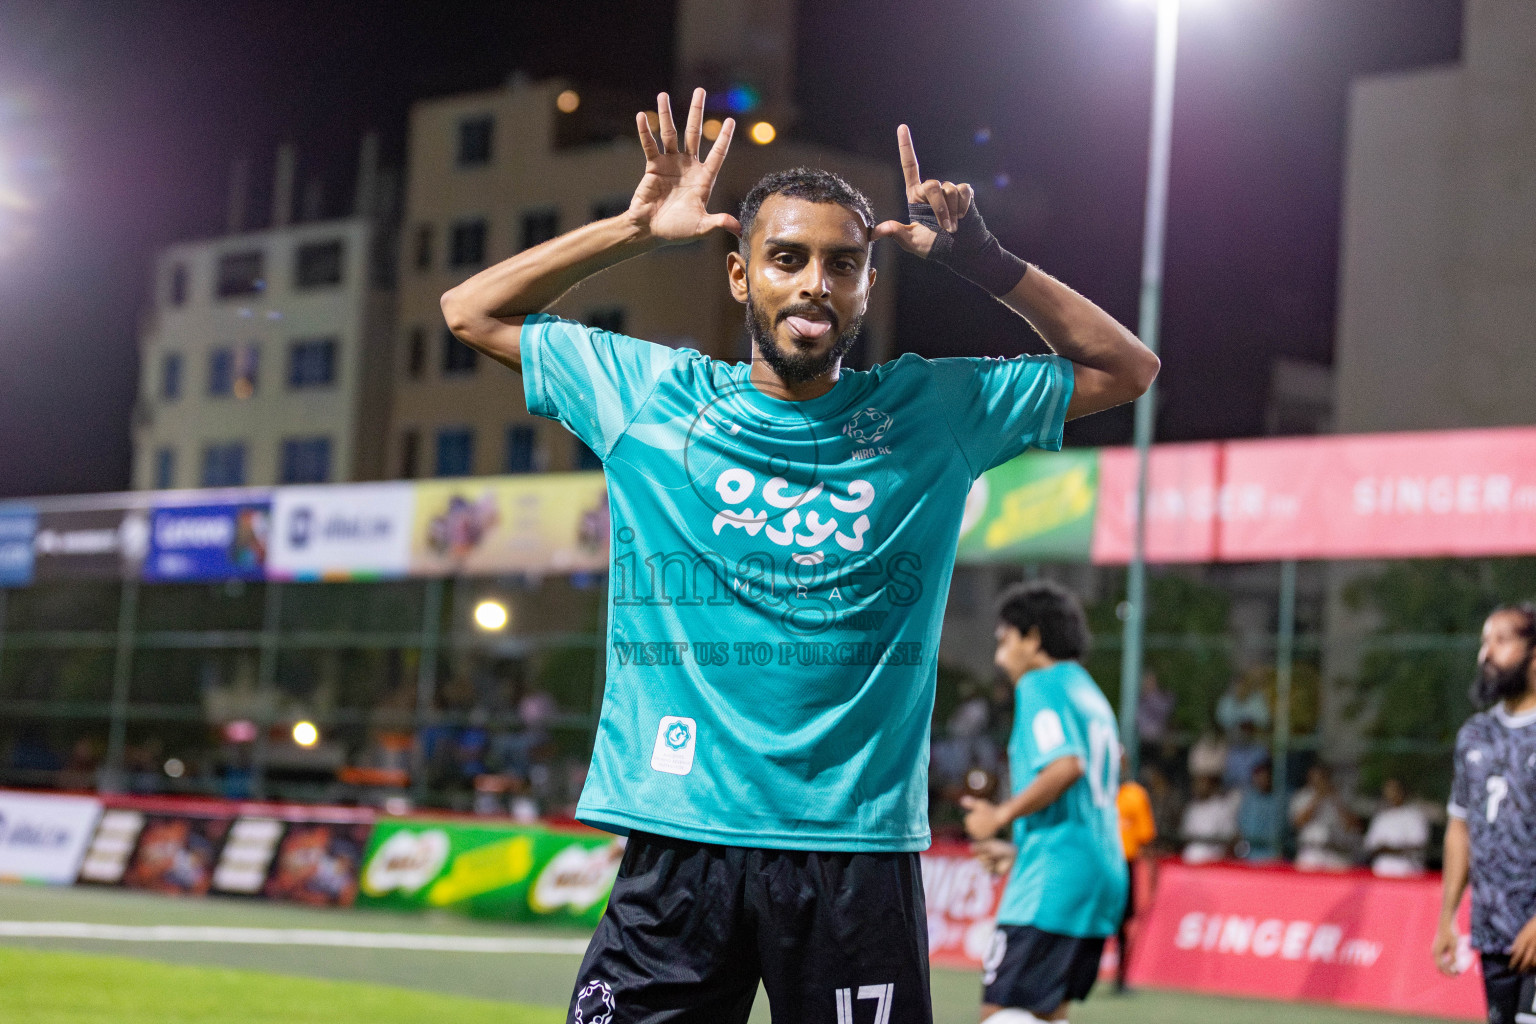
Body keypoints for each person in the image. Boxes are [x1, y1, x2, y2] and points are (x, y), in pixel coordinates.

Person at [440, 89, 1158, 1024]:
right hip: (680, 844)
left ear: (867, 287)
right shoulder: (649, 396)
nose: (815, 282)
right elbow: (468, 311)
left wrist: (987, 265)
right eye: (786, 259)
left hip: (854, 858)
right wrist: (632, 229)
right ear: (742, 279)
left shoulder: (930, 413)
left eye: (842, 264)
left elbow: (1125, 370)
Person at [960, 582, 1127, 1024]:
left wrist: (1000, 814)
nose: (999, 656)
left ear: (1032, 638)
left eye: (1004, 640)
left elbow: (1065, 766)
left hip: (1055, 880)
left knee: (1001, 1013)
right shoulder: (1088, 692)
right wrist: (1021, 849)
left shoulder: (1039, 685)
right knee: (1047, 1013)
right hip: (1099, 874)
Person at [1434, 603, 1536, 1024]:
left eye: (1501, 640)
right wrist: (1447, 918)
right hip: (1493, 931)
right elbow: (1460, 828)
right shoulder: (1475, 734)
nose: (1485, 654)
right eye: (1483, 642)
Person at [1115, 755, 1157, 994]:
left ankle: (1121, 976)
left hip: (1125, 864)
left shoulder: (1134, 795)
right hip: (1097, 864)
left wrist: (1151, 876)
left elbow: (1146, 837)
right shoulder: (1092, 793)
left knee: (1124, 922)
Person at [1290, 763, 1360, 872]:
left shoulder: (1340, 795)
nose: (1319, 780)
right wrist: (1317, 798)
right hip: (1311, 851)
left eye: (1322, 776)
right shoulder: (1302, 796)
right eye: (1316, 777)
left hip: (1336, 852)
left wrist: (1335, 799)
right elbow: (1298, 823)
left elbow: (1353, 825)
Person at [1363, 777, 1429, 878]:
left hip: (1408, 872)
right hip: (1381, 872)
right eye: (1388, 790)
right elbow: (1370, 847)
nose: (1390, 794)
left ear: (1402, 791)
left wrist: (1388, 849)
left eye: (1394, 790)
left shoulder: (1415, 815)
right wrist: (1386, 849)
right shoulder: (1381, 817)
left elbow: (1418, 845)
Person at [1180, 773, 1238, 865]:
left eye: (1203, 783)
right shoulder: (1192, 808)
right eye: (1197, 784)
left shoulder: (1221, 807)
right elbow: (1185, 836)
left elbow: (1230, 837)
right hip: (1191, 857)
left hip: (1214, 858)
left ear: (1211, 786)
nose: (1199, 787)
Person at [1235, 760, 1283, 861]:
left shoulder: (1279, 799)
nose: (1261, 780)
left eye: (1265, 776)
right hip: (1249, 854)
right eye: (1258, 776)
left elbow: (1280, 830)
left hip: (1272, 855)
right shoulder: (1249, 799)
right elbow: (1241, 826)